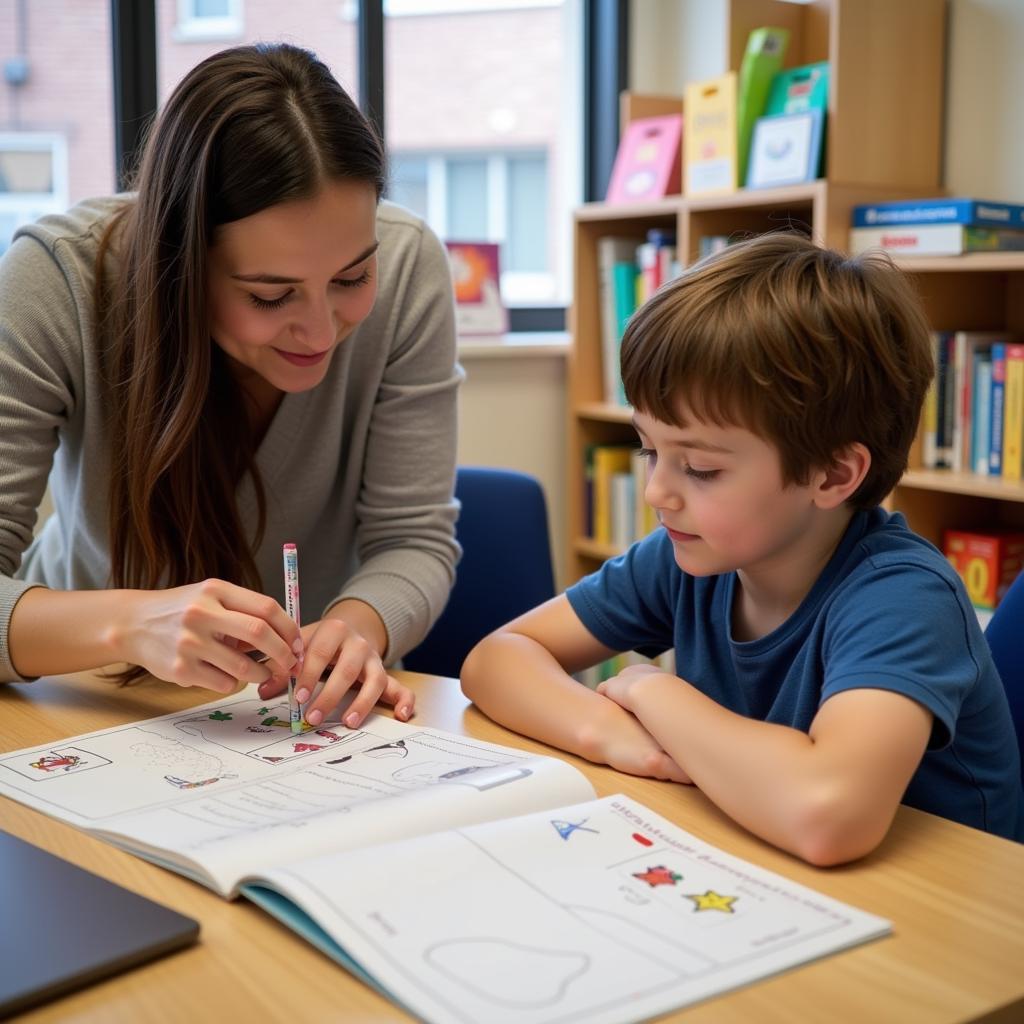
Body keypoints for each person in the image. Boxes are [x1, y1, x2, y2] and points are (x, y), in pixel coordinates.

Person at [462, 232, 1024, 864]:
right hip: (769, 867)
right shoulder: (687, 556)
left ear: (834, 475)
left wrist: (653, 691)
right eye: (650, 448)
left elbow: (828, 815)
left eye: (700, 468)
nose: (656, 491)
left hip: (947, 914)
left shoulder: (904, 597)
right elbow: (497, 660)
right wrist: (609, 735)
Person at [0, 43, 462, 731]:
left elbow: (414, 540)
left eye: (350, 278)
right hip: (80, 704)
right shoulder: (55, 280)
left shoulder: (409, 266)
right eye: (271, 295)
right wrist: (127, 624)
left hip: (290, 723)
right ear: (178, 266)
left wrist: (360, 625)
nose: (319, 331)